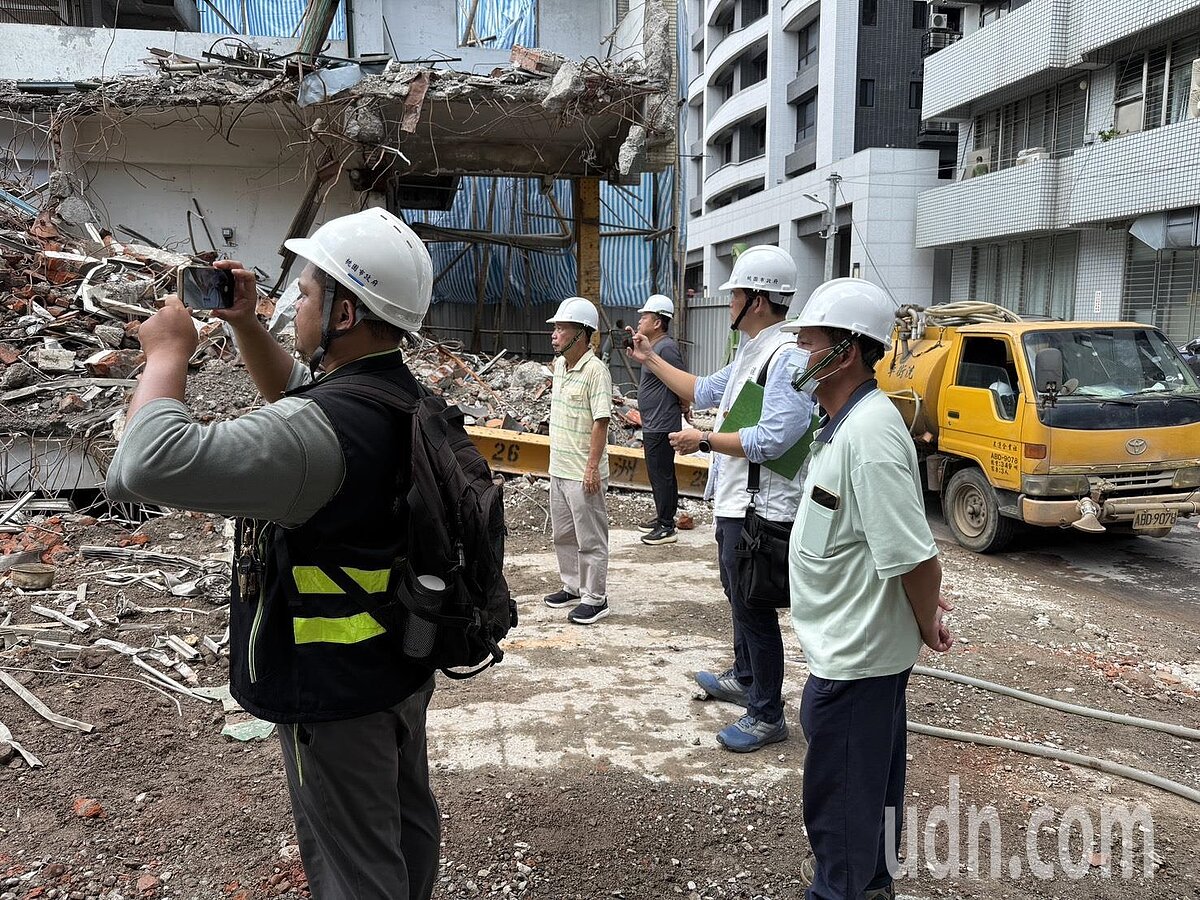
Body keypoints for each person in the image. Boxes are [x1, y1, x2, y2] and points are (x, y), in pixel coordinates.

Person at [105, 208, 441, 900]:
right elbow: (301, 398)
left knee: (355, 868)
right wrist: (247, 323)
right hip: (395, 662)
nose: (297, 310)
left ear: (344, 314)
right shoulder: (398, 399)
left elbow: (148, 462)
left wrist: (168, 353)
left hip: (333, 688)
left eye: (309, 295)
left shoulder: (322, 433)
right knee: (404, 827)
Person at [782, 278, 953, 900]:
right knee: (867, 807)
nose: (797, 352)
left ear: (846, 352)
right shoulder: (843, 424)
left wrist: (927, 615)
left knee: (843, 822)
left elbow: (913, 556)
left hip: (856, 667)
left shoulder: (871, 435)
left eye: (807, 340)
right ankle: (869, 886)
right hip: (849, 655)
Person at [627, 246, 814, 752]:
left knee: (754, 605)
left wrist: (703, 441)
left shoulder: (787, 357)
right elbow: (703, 390)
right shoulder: (753, 352)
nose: (727, 299)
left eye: (734, 291)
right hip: (734, 501)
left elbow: (773, 439)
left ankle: (766, 713)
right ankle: (745, 676)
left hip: (760, 507)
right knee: (738, 595)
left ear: (756, 299)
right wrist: (648, 360)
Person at [541, 296, 614, 625]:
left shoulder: (596, 371)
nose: (554, 334)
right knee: (564, 535)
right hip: (559, 468)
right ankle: (572, 585)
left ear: (582, 334)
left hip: (583, 472)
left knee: (590, 538)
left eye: (561, 328)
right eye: (554, 328)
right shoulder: (559, 366)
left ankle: (595, 597)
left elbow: (601, 422)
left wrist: (591, 468)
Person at [633, 293, 690, 546]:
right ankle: (662, 517)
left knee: (663, 474)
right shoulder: (653, 348)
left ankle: (667, 526)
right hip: (654, 422)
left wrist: (685, 406)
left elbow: (680, 380)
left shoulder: (666, 348)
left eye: (644, 317)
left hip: (663, 423)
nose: (640, 321)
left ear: (657, 322)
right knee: (657, 474)